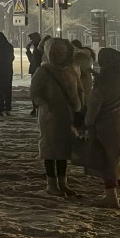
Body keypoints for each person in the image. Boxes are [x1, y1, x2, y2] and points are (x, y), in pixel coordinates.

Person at [83, 48, 120, 209]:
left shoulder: (102, 82)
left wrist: (87, 121)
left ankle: (111, 196)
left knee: (109, 160)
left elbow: (94, 106)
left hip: (105, 125)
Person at [30, 38, 81, 196]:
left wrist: (80, 107)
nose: (61, 54)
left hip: (68, 116)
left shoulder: (71, 70)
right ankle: (51, 184)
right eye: (57, 52)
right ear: (50, 52)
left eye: (63, 51)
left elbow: (79, 90)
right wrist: (45, 105)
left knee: (64, 150)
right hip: (50, 117)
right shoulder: (43, 71)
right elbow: (34, 93)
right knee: (50, 149)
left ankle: (62, 182)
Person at [71, 39, 95, 129]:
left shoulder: (79, 55)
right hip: (86, 81)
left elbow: (80, 69)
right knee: (84, 102)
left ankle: (81, 123)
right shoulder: (86, 54)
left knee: (81, 102)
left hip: (81, 81)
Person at [25, 32, 43, 116]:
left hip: (36, 71)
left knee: (35, 90)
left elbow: (33, 61)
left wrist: (28, 51)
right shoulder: (39, 48)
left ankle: (35, 109)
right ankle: (35, 108)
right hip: (37, 70)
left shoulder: (38, 49)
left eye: (31, 39)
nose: (30, 41)